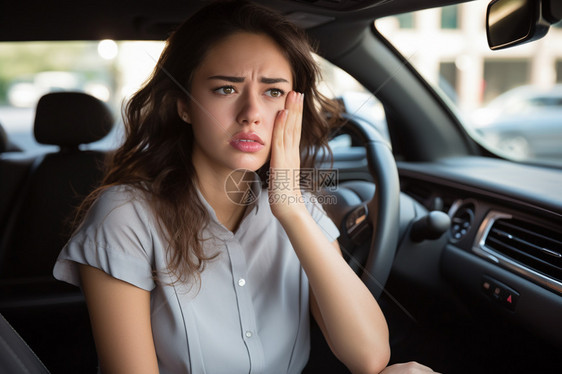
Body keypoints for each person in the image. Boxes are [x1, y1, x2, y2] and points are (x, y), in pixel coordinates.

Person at [53, 1, 437, 373]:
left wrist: (290, 209)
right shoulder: (124, 216)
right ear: (183, 105)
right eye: (226, 89)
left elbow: (369, 358)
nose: (251, 113)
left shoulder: (299, 207)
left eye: (272, 92)